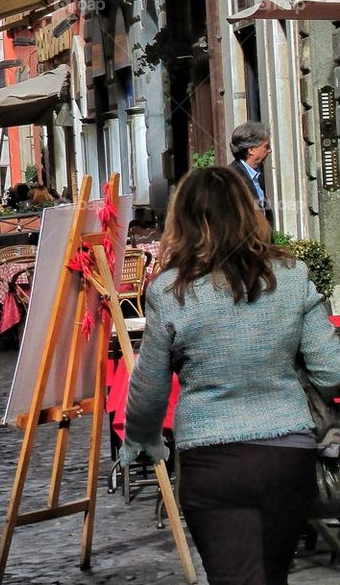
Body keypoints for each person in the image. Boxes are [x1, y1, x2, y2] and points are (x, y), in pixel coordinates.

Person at [123, 166, 340, 585]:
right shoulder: (292, 278)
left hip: (212, 457)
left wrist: (143, 438)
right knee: (271, 575)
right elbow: (331, 371)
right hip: (288, 453)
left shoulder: (170, 291)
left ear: (181, 221)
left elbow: (149, 390)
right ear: (250, 211)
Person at [229, 120, 274, 220]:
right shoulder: (230, 178)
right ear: (251, 150)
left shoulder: (256, 176)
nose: (270, 150)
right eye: (266, 146)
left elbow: (263, 212)